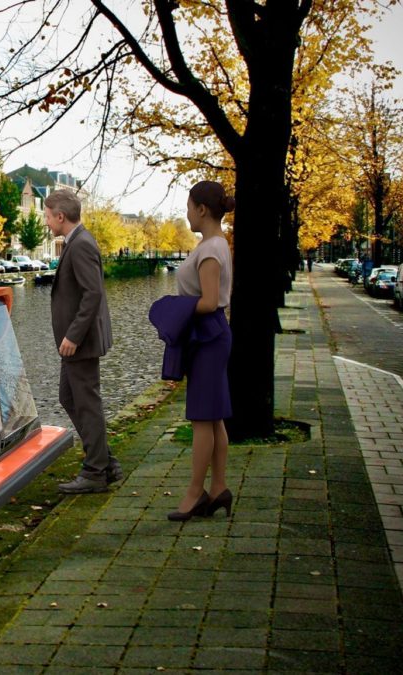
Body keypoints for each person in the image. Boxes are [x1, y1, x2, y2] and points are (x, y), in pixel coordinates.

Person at [165, 180, 235, 521]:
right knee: (214, 417)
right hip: (213, 334)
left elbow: (208, 302)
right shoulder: (217, 244)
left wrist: (174, 310)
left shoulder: (210, 249)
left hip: (207, 336)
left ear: (202, 209)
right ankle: (218, 487)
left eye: (189, 206)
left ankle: (196, 493)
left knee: (201, 419)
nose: (187, 212)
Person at [45, 189, 122, 493]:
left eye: (48, 217)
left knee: (87, 403)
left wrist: (73, 336)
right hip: (76, 343)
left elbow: (93, 294)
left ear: (60, 216)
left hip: (81, 342)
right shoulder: (76, 242)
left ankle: (94, 472)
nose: (48, 223)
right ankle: (104, 462)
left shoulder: (80, 245)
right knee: (69, 398)